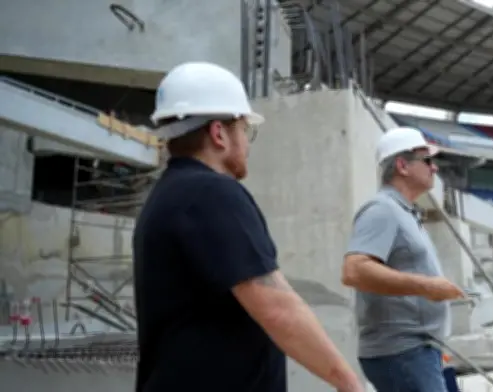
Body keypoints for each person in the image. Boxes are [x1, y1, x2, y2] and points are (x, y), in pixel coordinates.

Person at [133, 61, 363, 392]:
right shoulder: (211, 194)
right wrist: (349, 383)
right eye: (244, 130)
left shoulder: (168, 196)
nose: (248, 143)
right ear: (219, 133)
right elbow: (277, 308)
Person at [340, 126, 465, 392]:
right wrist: (427, 286)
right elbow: (355, 270)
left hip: (416, 350)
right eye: (427, 160)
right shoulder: (381, 210)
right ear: (402, 166)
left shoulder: (404, 213)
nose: (434, 168)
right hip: (403, 352)